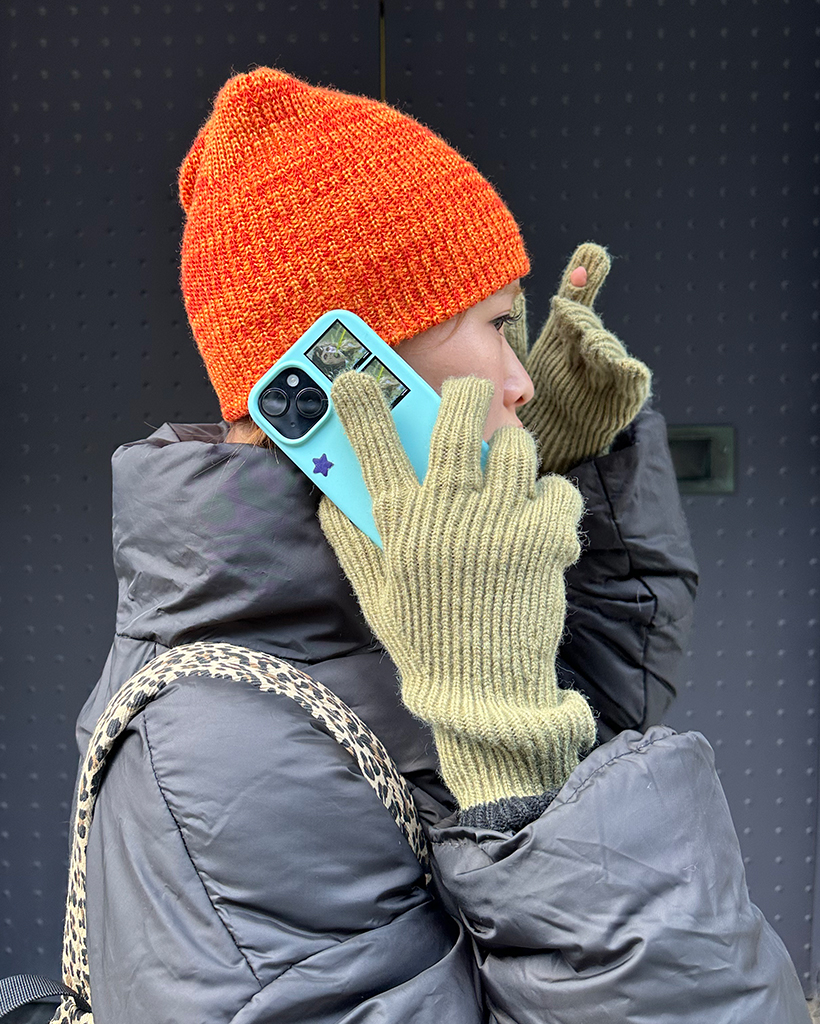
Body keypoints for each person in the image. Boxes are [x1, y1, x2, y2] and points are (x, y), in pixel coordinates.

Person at [73, 67, 808, 1022]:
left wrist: (565, 466)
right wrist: (506, 749)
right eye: (497, 326)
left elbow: (611, 705)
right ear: (358, 372)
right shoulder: (223, 754)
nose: (522, 378)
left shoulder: (386, 598)